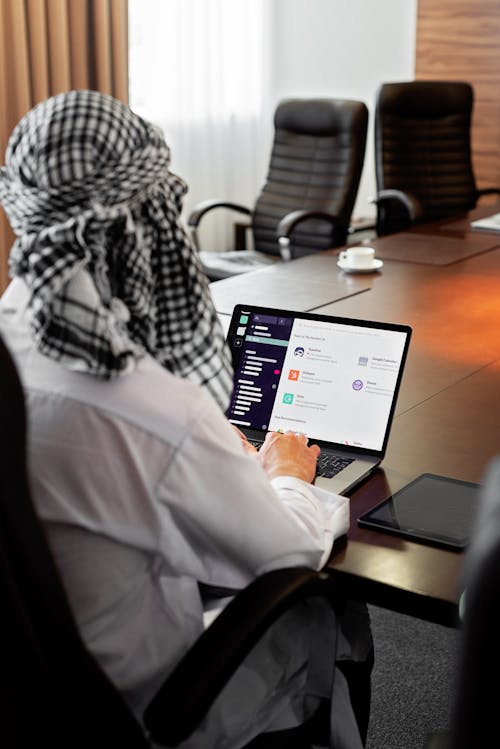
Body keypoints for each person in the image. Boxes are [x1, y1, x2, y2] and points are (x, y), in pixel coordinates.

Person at [0, 90, 372, 749]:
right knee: (333, 607)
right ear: (135, 226)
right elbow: (287, 555)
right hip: (148, 704)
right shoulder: (143, 401)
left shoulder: (10, 341)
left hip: (39, 690)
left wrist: (196, 451)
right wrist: (286, 474)